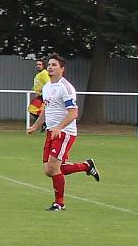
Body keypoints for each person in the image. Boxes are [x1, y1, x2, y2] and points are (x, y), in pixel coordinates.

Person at [26, 54, 100, 211]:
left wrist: (59, 127)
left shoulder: (66, 88)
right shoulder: (47, 87)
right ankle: (86, 166)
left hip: (65, 132)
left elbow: (73, 113)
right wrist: (35, 125)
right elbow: (45, 110)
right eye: (49, 64)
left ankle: (59, 203)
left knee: (53, 168)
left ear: (62, 69)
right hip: (51, 132)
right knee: (49, 170)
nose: (50, 67)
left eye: (54, 65)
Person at [28, 59, 49, 126]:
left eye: (40, 64)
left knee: (32, 108)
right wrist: (35, 88)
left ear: (43, 65)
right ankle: (44, 123)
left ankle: (45, 122)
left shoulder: (44, 73)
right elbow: (39, 84)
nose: (38, 66)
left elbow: (49, 83)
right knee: (33, 109)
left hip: (44, 96)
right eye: (37, 64)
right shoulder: (39, 74)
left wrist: (42, 90)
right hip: (40, 96)